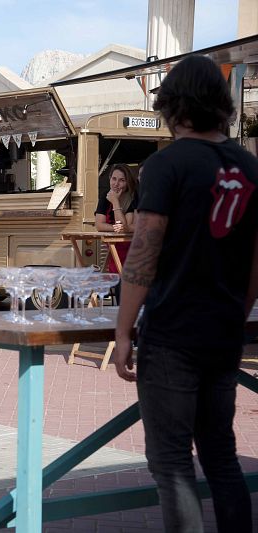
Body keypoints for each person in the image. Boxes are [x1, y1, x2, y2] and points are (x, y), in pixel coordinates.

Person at [114, 55, 257, 532]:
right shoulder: (249, 165)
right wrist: (238, 312)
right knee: (221, 455)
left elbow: (144, 252)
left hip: (173, 333)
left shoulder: (166, 164)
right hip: (223, 332)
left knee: (172, 463)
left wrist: (122, 330)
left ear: (172, 106)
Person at [94, 163, 138, 274]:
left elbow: (124, 226)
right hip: (113, 247)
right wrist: (116, 228)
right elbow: (99, 225)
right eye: (114, 179)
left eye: (122, 180)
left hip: (131, 248)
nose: (116, 184)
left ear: (128, 182)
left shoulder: (133, 197)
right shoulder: (105, 195)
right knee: (114, 276)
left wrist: (115, 202)